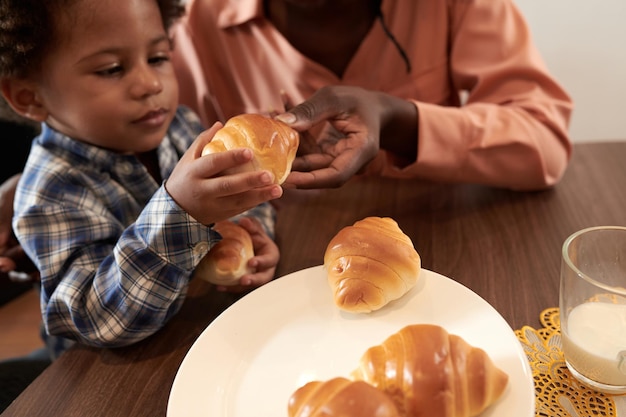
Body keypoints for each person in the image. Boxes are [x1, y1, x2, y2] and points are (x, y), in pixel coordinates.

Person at [0, 0, 281, 364]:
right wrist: (180, 213)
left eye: (158, 58)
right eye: (112, 69)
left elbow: (247, 199)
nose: (150, 84)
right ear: (29, 97)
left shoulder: (180, 128)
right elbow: (100, 319)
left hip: (204, 337)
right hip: (108, 376)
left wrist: (254, 238)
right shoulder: (50, 193)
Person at [171, 0, 573, 191]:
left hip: (442, 244)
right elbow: (176, 174)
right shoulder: (193, 29)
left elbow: (544, 143)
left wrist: (400, 122)